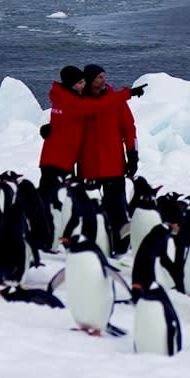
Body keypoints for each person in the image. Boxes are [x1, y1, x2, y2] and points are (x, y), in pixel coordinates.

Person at [76, 62, 139, 247]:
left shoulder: (115, 100)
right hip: (88, 166)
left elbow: (129, 128)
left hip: (114, 165)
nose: (104, 80)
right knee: (88, 210)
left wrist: (132, 155)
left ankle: (121, 245)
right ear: (89, 80)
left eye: (104, 76)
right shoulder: (80, 102)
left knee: (118, 210)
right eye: (99, 77)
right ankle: (91, 244)